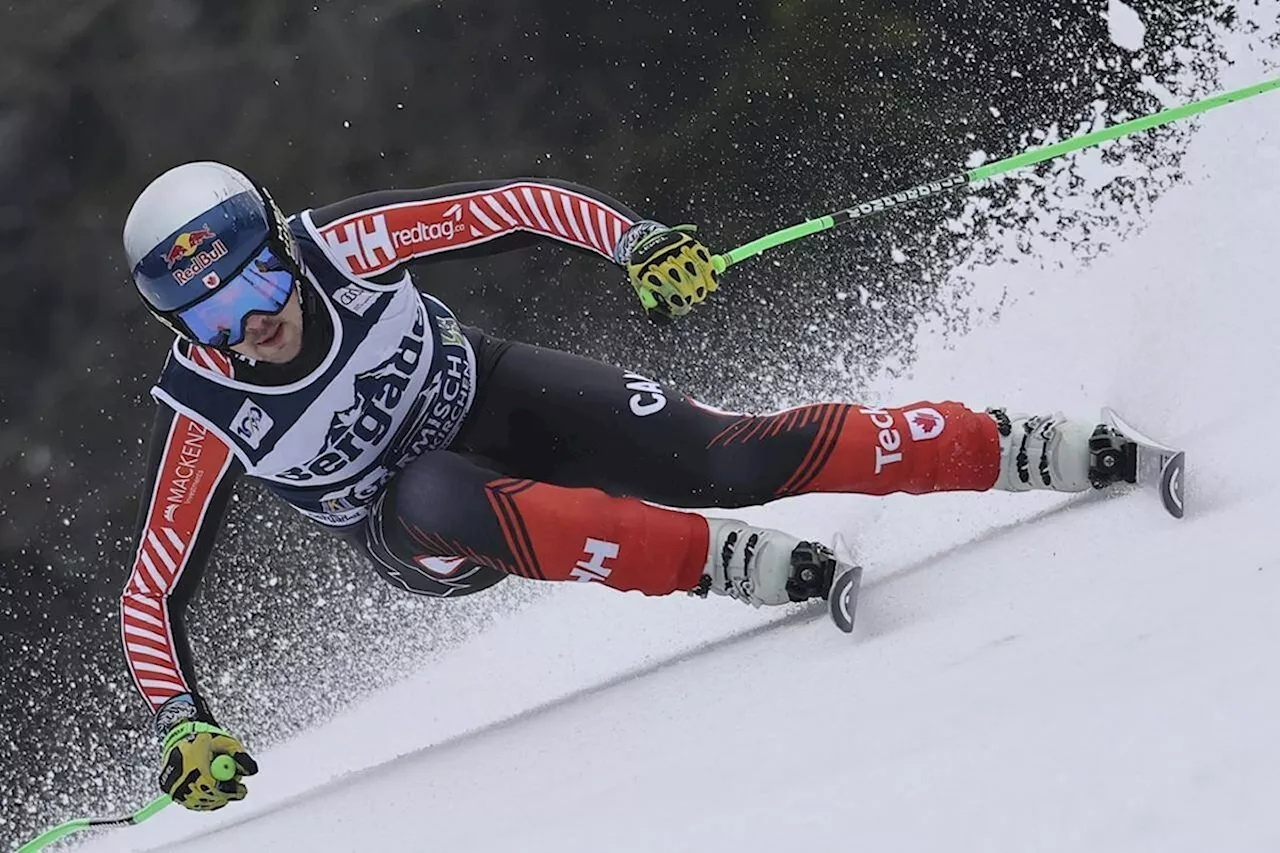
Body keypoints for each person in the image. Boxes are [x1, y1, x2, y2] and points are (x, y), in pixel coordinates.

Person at [119, 162, 1135, 811]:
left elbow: (506, 206)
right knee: (432, 487)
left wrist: (634, 242)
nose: (250, 324)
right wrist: (182, 721)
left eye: (254, 282)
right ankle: (718, 566)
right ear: (183, 336)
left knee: (724, 458)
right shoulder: (210, 412)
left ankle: (1003, 445)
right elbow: (151, 588)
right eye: (211, 319)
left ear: (284, 250)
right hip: (419, 526)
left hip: (502, 394)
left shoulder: (345, 245)